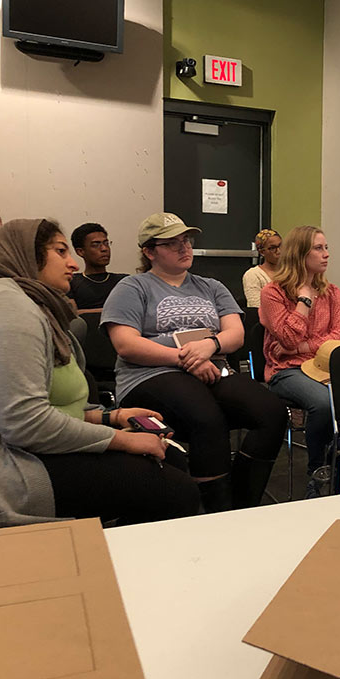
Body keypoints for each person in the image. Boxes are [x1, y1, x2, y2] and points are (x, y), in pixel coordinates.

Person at [0, 219, 200, 536]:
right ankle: (99, 567)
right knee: (173, 490)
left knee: (169, 458)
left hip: (9, 450)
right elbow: (26, 422)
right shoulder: (6, 309)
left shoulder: (28, 304)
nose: (72, 263)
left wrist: (111, 417)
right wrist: (124, 439)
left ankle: (103, 557)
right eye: (60, 252)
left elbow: (45, 404)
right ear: (27, 257)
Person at [102, 212, 286, 512]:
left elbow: (235, 334)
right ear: (150, 252)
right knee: (204, 415)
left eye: (186, 240)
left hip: (210, 367)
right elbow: (126, 344)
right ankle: (214, 512)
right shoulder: (133, 288)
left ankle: (240, 503)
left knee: (272, 411)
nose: (184, 248)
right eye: (171, 243)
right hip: (150, 375)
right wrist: (187, 358)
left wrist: (209, 346)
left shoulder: (211, 286)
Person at [259, 226, 340, 492]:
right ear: (300, 254)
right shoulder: (273, 293)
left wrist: (302, 346)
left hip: (325, 367)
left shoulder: (332, 292)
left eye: (326, 247)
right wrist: (304, 301)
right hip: (286, 371)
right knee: (324, 403)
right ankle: (318, 474)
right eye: (319, 248)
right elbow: (286, 337)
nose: (326, 255)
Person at [68, 222, 128, 310]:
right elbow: (72, 317)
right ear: (80, 252)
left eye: (106, 243)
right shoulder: (71, 282)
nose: (104, 249)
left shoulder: (124, 281)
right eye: (96, 245)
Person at [242, 228, 282, 308]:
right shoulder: (253, 275)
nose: (279, 251)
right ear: (262, 252)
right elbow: (256, 306)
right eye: (273, 248)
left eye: (280, 246)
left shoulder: (290, 271)